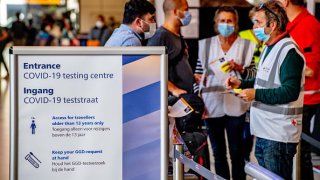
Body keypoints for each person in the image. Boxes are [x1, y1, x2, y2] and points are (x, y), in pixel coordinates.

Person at [225, 1, 305, 179]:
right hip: (264, 130)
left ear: (273, 24)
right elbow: (263, 81)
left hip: (278, 135)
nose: (254, 27)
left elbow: (289, 92)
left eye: (258, 23)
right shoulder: (269, 47)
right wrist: (241, 83)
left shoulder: (289, 51)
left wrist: (255, 94)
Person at [194, 6, 256, 180]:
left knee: (237, 151)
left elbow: (254, 75)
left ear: (235, 23)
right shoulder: (206, 45)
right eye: (222, 20)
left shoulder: (246, 45)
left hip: (236, 105)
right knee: (218, 152)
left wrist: (240, 68)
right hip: (211, 105)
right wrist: (199, 96)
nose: (226, 24)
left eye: (229, 21)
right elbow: (197, 76)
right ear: (216, 23)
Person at [277, 0, 320, 179]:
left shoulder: (309, 25)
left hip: (304, 98)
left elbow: (311, 69)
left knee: (300, 152)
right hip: (289, 95)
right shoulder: (288, 23)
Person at [147, 0, 193, 96]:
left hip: (184, 97)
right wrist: (173, 89)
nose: (188, 13)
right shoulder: (160, 37)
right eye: (186, 10)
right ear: (175, 12)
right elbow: (150, 70)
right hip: (171, 101)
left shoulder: (177, 35)